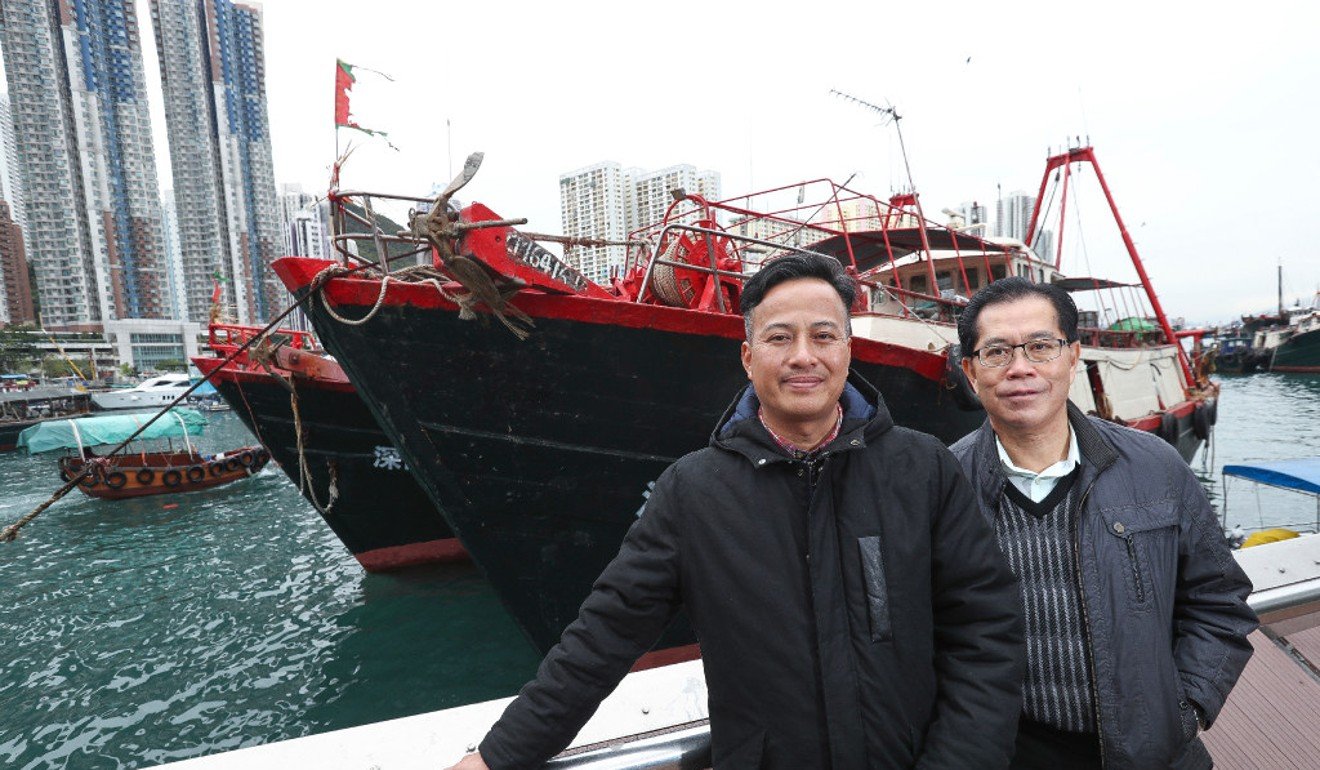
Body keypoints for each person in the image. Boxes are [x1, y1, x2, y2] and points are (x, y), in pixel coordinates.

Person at [448, 253, 1024, 769]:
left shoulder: (922, 468)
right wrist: (498, 756)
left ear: (848, 349)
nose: (804, 356)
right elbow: (602, 638)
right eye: (779, 338)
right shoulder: (692, 492)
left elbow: (984, 631)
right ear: (748, 357)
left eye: (824, 336)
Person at [951, 277, 1257, 769]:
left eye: (1041, 347)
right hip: (1009, 755)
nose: (1021, 368)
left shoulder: (1155, 467)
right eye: (997, 352)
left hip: (1155, 753)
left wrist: (1186, 707)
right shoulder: (944, 487)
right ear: (970, 371)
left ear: (1073, 358)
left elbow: (1219, 601)